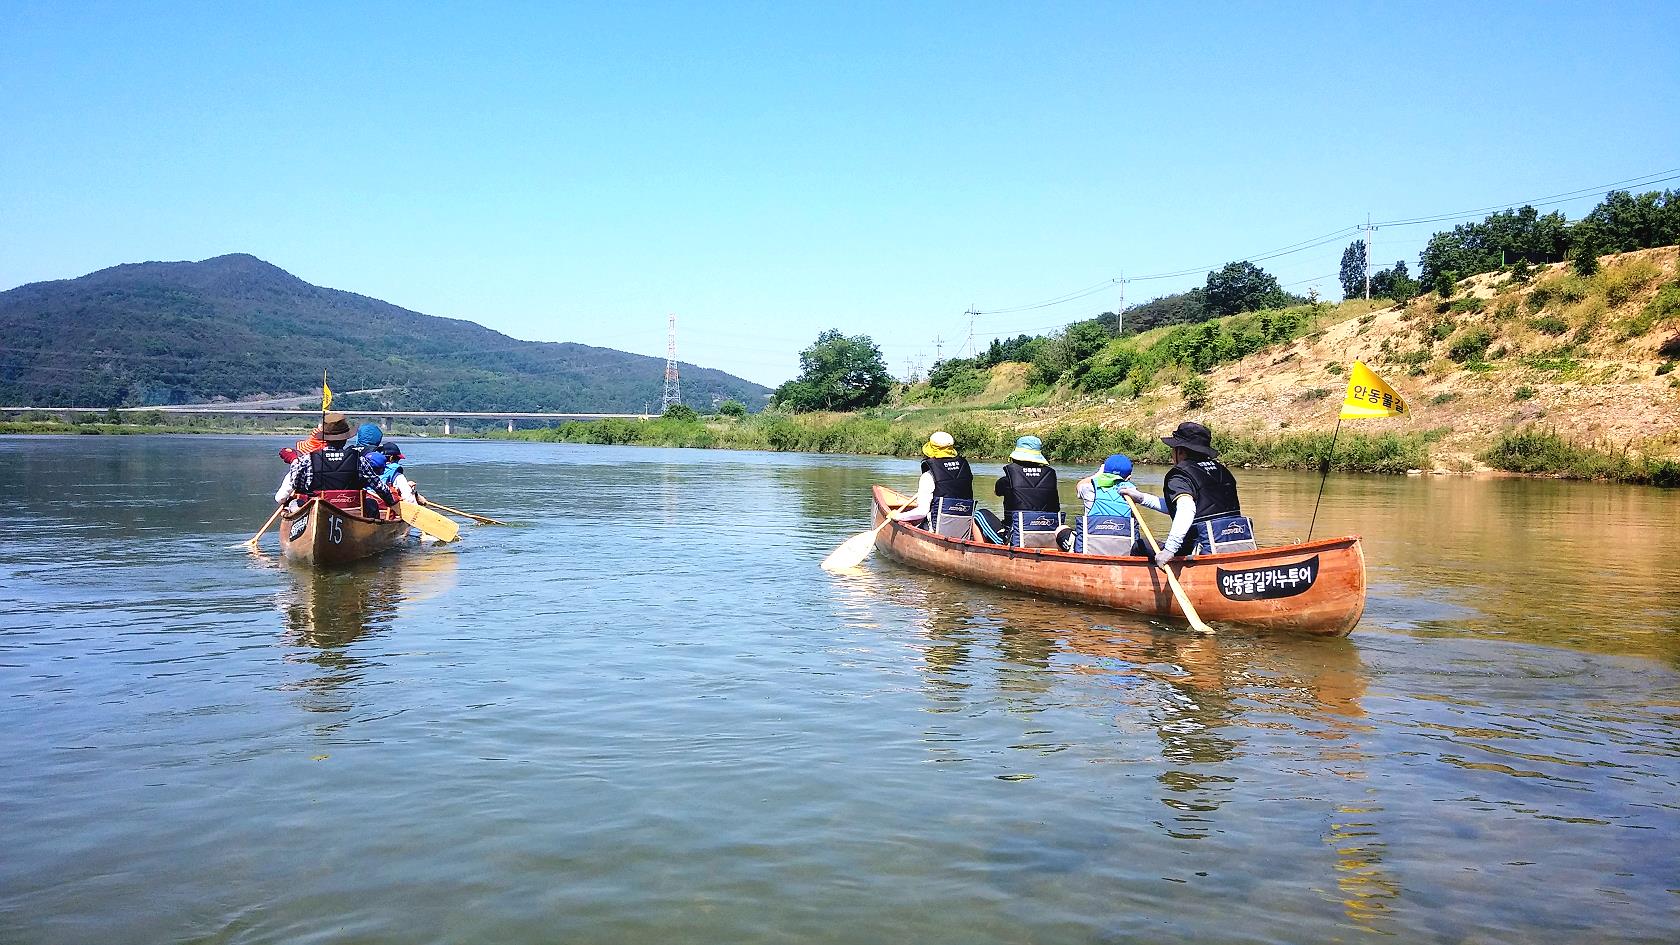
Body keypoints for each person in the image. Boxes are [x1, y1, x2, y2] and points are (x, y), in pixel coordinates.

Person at [1122, 421, 1255, 566]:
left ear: (1181, 451)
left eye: (1173, 449)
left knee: (1140, 545)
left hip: (1200, 549)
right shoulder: (1222, 471)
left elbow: (1186, 509)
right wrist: (1142, 498)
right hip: (1237, 544)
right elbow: (1196, 507)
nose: (1172, 454)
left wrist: (1169, 550)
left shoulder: (1180, 475)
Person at [273, 411, 394, 512]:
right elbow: (379, 487)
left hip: (316, 509)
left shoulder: (306, 459)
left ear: (325, 439)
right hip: (350, 510)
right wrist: (390, 502)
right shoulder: (360, 460)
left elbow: (297, 485)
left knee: (293, 504)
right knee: (372, 504)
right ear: (345, 439)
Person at [974, 435, 1060, 548]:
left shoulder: (1007, 479)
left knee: (979, 515)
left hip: (1016, 537)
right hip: (1049, 535)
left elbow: (997, 492)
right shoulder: (1050, 476)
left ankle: (982, 551)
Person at [892, 431, 975, 537]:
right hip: (963, 530)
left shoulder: (928, 476)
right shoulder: (965, 469)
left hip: (937, 530)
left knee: (916, 521)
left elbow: (922, 511)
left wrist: (898, 516)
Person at [1060, 454, 1146, 555]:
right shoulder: (1133, 493)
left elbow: (1079, 485)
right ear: (1129, 478)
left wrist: (1097, 474)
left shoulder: (1089, 489)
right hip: (1124, 552)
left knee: (1061, 530)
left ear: (1103, 472)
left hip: (1089, 550)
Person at [379, 441, 423, 506]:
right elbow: (409, 499)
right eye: (397, 459)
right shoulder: (398, 476)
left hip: (370, 506)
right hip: (386, 509)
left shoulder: (368, 469)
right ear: (391, 458)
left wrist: (407, 485)